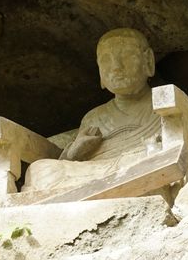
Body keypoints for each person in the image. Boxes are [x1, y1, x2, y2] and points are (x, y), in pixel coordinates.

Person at [23, 28, 165, 193]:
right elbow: (74, 165)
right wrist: (75, 151)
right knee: (39, 169)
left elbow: (180, 151)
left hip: (141, 165)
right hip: (98, 174)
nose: (116, 67)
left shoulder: (165, 102)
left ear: (148, 61)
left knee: (152, 161)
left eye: (126, 55)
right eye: (106, 60)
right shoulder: (93, 117)